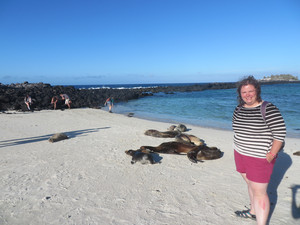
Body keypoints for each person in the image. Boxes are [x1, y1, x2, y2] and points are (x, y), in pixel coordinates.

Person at [232, 76, 286, 225]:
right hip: (240, 153)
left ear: (257, 91)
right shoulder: (239, 108)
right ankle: (252, 212)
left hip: (259, 158)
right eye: (244, 92)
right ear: (240, 94)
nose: (247, 94)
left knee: (260, 193)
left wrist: (272, 154)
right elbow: (236, 129)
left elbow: (280, 134)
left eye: (251, 91)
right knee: (250, 184)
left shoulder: (268, 108)